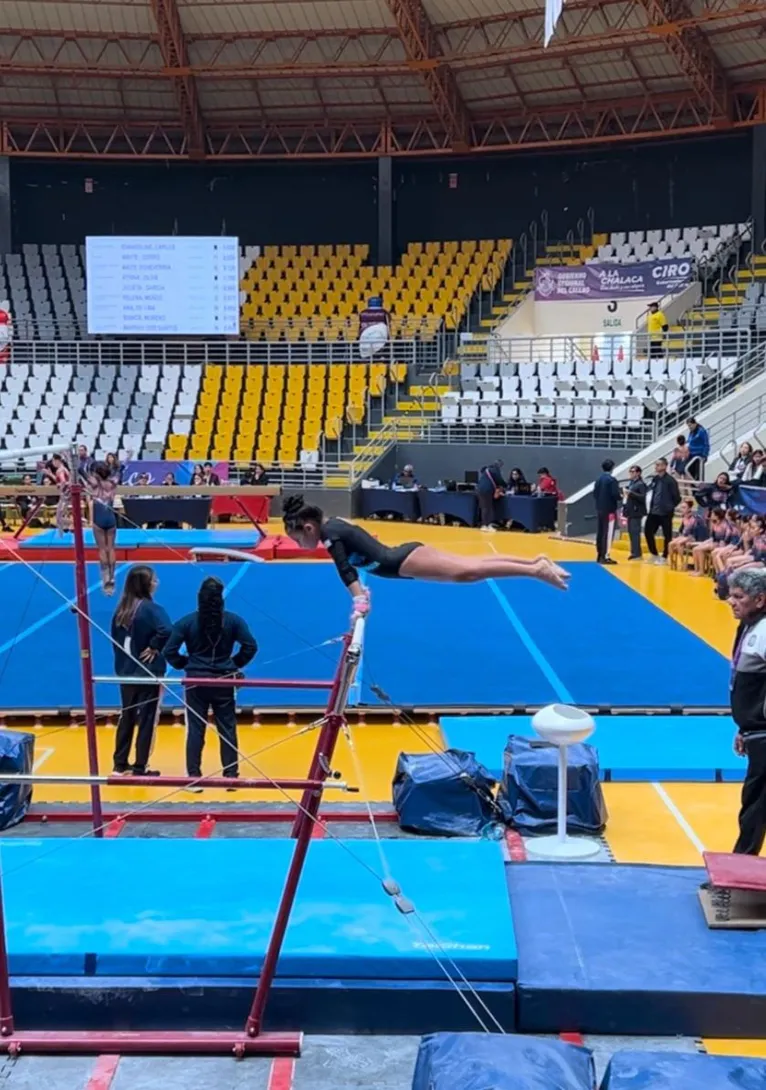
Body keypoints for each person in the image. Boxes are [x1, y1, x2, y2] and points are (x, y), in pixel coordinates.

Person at [282, 494, 570, 620]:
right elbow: (358, 557)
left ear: (308, 527)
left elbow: (345, 570)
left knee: (467, 572)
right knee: (471, 567)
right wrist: (363, 594)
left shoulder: (331, 534)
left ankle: (535, 571)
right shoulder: (332, 526)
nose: (299, 545)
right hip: (402, 558)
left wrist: (358, 599)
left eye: (298, 539)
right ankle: (535, 562)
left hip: (401, 561)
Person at [164, 576, 258, 789]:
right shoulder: (234, 621)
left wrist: (184, 664)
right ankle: (231, 774)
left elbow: (169, 650)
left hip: (196, 681)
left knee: (196, 729)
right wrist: (233, 664)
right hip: (223, 680)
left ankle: (194, 776)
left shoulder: (187, 622)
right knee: (227, 727)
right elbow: (250, 646)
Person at [111, 565, 172, 776]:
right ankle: (140, 765)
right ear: (146, 584)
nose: (157, 583)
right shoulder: (152, 609)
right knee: (146, 718)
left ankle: (119, 763)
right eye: (154, 580)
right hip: (147, 673)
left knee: (127, 716)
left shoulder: (121, 610)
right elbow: (167, 629)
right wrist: (154, 646)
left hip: (126, 672)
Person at [724, 568, 766, 855]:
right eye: (731, 595)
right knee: (754, 802)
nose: (731, 601)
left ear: (760, 599)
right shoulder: (749, 626)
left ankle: (741, 865)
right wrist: (745, 728)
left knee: (754, 804)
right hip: (756, 731)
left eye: (739, 596)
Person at [88, 461, 118, 594]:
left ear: (96, 473)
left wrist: (70, 459)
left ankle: (105, 579)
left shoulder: (94, 484)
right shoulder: (113, 482)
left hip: (98, 520)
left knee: (102, 549)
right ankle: (112, 578)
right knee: (111, 548)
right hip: (110, 519)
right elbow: (119, 469)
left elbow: (80, 472)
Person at [644, 457, 681, 564]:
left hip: (665, 512)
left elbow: (677, 498)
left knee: (667, 535)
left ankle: (665, 556)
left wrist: (669, 507)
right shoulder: (655, 479)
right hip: (653, 511)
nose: (656, 467)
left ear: (665, 466)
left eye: (658, 465)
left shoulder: (670, 481)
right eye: (655, 465)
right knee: (648, 532)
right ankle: (654, 554)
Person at [593, 459, 621, 565]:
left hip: (600, 508)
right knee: (607, 533)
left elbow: (595, 494)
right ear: (612, 468)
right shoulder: (612, 480)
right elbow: (615, 494)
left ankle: (599, 554)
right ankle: (605, 555)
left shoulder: (599, 479)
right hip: (609, 509)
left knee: (600, 532)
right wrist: (620, 496)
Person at [667, 499, 706, 568]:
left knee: (679, 543)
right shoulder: (683, 517)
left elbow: (695, 532)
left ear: (689, 508)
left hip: (692, 537)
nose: (682, 509)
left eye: (684, 507)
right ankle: (673, 563)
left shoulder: (695, 518)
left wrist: (684, 538)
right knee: (670, 544)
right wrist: (679, 537)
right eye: (681, 507)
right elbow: (682, 530)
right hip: (684, 536)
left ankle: (683, 563)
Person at [623, 465, 647, 561]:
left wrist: (630, 493)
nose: (631, 473)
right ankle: (634, 551)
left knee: (635, 532)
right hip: (631, 510)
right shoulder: (632, 483)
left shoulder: (640, 484)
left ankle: (636, 553)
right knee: (631, 532)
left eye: (633, 472)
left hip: (636, 511)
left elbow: (642, 497)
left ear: (638, 473)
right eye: (630, 471)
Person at [476, 461, 506, 532]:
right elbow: (499, 480)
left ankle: (485, 525)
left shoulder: (487, 470)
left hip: (480, 489)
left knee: (485, 507)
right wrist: (506, 485)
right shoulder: (495, 470)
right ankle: (486, 525)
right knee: (488, 508)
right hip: (487, 490)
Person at [686, 417, 710, 481]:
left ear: (695, 424)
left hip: (699, 454)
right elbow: (689, 441)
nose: (689, 427)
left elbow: (706, 443)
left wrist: (705, 455)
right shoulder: (691, 432)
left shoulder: (701, 431)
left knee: (698, 473)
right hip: (691, 454)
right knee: (690, 472)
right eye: (688, 426)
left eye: (690, 425)